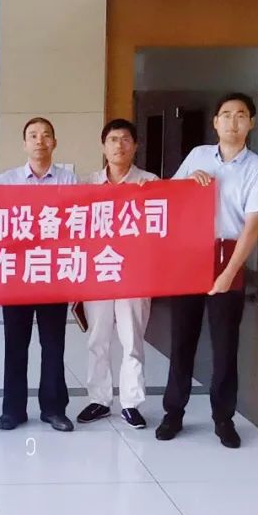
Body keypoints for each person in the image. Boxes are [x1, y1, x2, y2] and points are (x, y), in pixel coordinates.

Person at [157, 92, 258, 449]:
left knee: (224, 344)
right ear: (215, 122)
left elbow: (253, 227)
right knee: (181, 340)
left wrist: (227, 273)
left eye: (240, 115)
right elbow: (170, 196)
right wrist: (189, 182)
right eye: (226, 115)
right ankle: (173, 412)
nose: (232, 122)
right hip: (190, 254)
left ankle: (223, 418)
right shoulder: (198, 156)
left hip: (228, 256)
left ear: (251, 123)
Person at [0, 116, 78, 432]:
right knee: (15, 345)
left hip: (54, 274)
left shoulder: (69, 181)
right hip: (17, 275)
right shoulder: (7, 181)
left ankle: (54, 409)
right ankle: (13, 410)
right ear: (24, 144)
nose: (39, 141)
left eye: (45, 135)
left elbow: (76, 225)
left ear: (54, 142)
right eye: (33, 135)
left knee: (53, 345)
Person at [76, 119, 158, 430]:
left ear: (135, 146)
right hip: (98, 271)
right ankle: (99, 399)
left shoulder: (150, 183)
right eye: (112, 139)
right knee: (98, 338)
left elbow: (162, 226)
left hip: (134, 274)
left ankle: (131, 403)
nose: (119, 145)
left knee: (132, 339)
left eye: (125, 139)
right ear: (103, 146)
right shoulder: (87, 184)